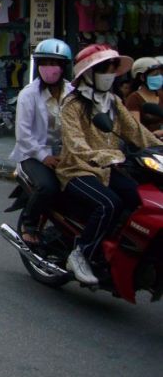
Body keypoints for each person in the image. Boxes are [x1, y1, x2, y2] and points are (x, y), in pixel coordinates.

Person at [57, 44, 160, 285]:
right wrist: (107, 156)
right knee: (108, 204)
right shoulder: (72, 105)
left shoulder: (113, 101)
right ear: (89, 73)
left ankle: (119, 252)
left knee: (139, 200)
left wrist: (157, 147)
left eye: (113, 69)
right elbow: (75, 144)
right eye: (104, 69)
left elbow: (136, 132)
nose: (110, 74)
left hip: (109, 168)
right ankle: (81, 253)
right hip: (77, 169)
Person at [9, 39, 74, 245]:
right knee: (48, 187)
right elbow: (23, 134)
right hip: (33, 155)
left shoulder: (73, 93)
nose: (49, 68)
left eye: (54, 63)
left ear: (64, 67)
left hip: (67, 154)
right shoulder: (28, 94)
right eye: (44, 63)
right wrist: (43, 156)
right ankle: (30, 223)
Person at [125, 57, 163, 138]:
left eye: (160, 74)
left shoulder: (161, 95)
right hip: (147, 145)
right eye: (155, 74)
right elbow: (136, 129)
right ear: (142, 77)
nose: (159, 77)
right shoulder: (134, 99)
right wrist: (154, 135)